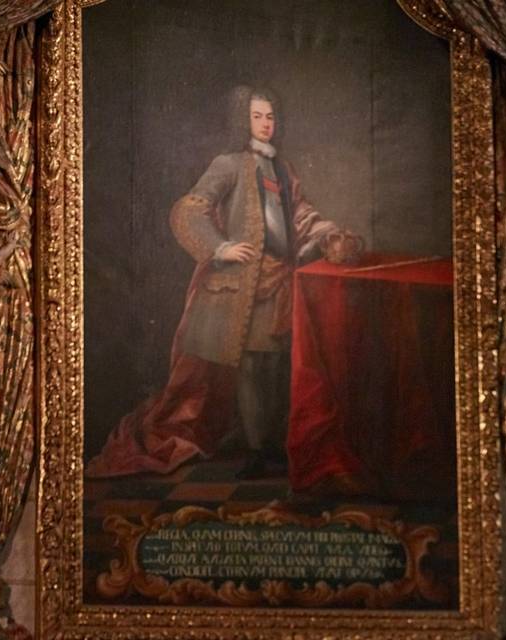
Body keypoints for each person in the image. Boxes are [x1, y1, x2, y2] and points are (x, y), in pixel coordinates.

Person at [86, 86, 349, 478]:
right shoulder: (229, 164)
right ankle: (259, 448)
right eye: (258, 116)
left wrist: (328, 235)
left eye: (271, 117)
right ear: (243, 120)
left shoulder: (282, 168)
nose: (266, 124)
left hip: (280, 282)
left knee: (276, 363)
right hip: (240, 286)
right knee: (252, 365)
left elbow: (301, 215)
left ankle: (271, 442)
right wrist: (220, 247)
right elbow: (189, 211)